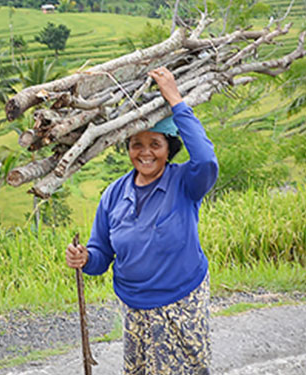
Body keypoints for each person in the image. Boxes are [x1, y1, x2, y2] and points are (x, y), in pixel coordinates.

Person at [66, 66, 218, 375]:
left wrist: (175, 98)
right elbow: (101, 257)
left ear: (169, 148)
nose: (145, 153)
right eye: (137, 144)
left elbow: (205, 158)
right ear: (128, 148)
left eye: (155, 144)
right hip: (134, 307)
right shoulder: (113, 195)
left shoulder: (186, 182)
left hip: (181, 302)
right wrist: (85, 258)